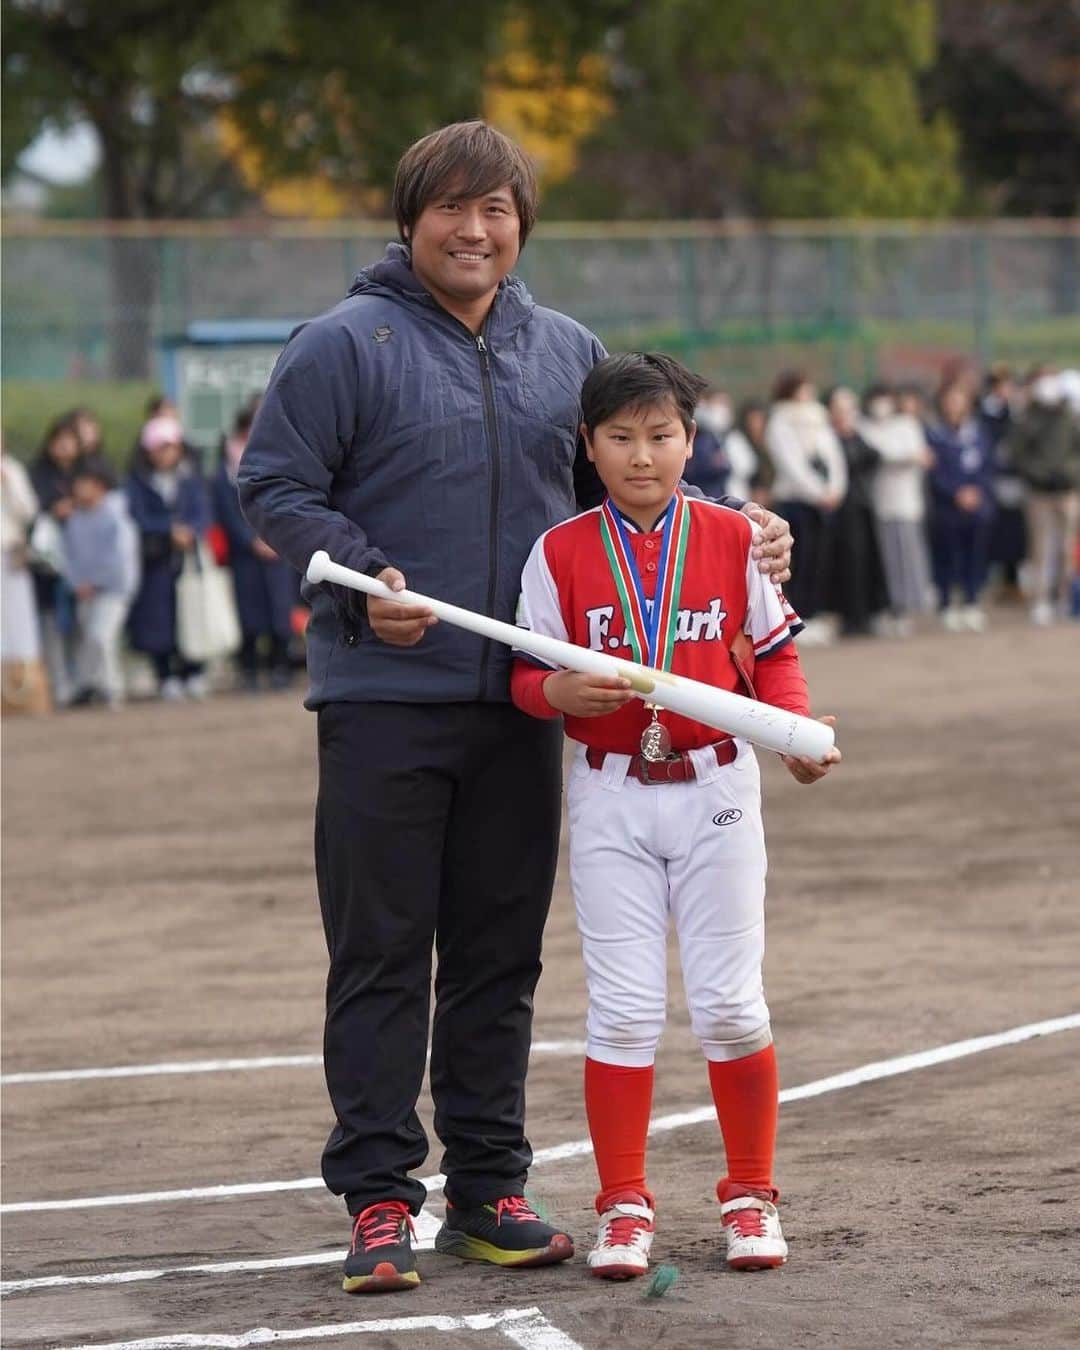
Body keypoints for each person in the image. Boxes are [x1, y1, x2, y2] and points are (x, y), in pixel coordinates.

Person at [237, 121, 794, 1295]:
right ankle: (381, 1198)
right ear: (410, 219)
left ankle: (486, 1187)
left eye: (497, 210)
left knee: (498, 959)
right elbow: (272, 483)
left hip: (531, 708)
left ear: (521, 225)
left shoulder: (565, 348)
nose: (475, 230)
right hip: (385, 698)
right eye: (452, 208)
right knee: (383, 952)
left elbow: (638, 474)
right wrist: (356, 570)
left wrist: (746, 530)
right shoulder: (347, 343)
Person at [511, 353, 840, 1280]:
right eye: (620, 438)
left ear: (691, 441)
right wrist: (555, 691)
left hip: (719, 788)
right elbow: (523, 679)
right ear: (590, 445)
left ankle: (749, 1196)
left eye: (661, 436)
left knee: (732, 1005)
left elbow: (771, 660)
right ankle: (623, 1206)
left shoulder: (737, 539)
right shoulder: (561, 551)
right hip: (609, 792)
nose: (642, 457)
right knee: (619, 1013)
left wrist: (795, 735)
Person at [210, 404, 296, 690]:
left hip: (278, 548)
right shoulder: (225, 469)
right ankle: (249, 668)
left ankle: (280, 665)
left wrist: (275, 538)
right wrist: (250, 541)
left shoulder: (286, 454)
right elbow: (226, 511)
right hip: (244, 554)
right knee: (248, 611)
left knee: (279, 609)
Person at [126, 414, 212, 698]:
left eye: (170, 446)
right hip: (155, 561)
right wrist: (168, 530)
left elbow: (203, 512)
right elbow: (137, 516)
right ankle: (165, 675)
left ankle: (194, 671)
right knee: (159, 621)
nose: (165, 454)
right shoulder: (138, 480)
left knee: (193, 614)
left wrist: (190, 531)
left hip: (188, 560)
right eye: (158, 447)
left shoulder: (190, 478)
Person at [766, 371, 847, 645]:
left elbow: (833, 456)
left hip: (823, 502)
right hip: (796, 501)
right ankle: (799, 616)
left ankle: (815, 612)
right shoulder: (780, 422)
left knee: (819, 560)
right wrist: (817, 492)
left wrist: (835, 489)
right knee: (798, 562)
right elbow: (792, 465)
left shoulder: (817, 419)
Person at [858, 383, 934, 636]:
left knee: (908, 556)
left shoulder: (906, 424)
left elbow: (918, 455)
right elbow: (881, 454)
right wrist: (905, 456)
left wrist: (905, 456)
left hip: (907, 502)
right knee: (888, 559)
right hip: (882, 503)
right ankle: (893, 605)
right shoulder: (865, 427)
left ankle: (909, 603)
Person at [64, 457, 140, 707]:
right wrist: (77, 582)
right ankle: (89, 686)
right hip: (84, 591)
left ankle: (112, 688)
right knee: (89, 640)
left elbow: (120, 559)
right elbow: (69, 557)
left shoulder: (116, 516)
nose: (78, 488)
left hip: (114, 590)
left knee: (101, 636)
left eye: (83, 482)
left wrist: (95, 581)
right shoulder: (75, 518)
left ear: (99, 485)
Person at [1006, 367, 1080, 625]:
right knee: (1040, 548)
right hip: (1038, 492)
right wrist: (1039, 473)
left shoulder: (1070, 417)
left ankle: (1063, 597)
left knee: (1066, 548)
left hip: (1067, 490)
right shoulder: (1028, 419)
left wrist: (1069, 473)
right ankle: (1040, 600)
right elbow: (1017, 454)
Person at [925, 381, 996, 631]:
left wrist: (976, 492)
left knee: (974, 554)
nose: (955, 406)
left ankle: (971, 601)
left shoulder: (978, 433)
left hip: (977, 505)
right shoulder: (934, 434)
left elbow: (988, 466)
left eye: (959, 400)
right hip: (947, 507)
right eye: (950, 400)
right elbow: (934, 472)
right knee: (948, 555)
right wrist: (956, 493)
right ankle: (946, 604)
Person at [28, 414, 84, 705]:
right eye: (58, 441)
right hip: (49, 565)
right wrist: (53, 509)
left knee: (79, 624)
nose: (64, 447)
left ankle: (81, 684)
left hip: (82, 561)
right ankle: (60, 686)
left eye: (69, 441)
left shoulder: (87, 473)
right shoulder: (37, 475)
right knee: (51, 624)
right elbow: (30, 512)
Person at [824, 387, 887, 637]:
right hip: (838, 509)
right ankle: (847, 616)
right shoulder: (827, 439)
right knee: (844, 562)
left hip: (861, 506)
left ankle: (867, 613)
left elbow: (875, 456)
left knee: (865, 560)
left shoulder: (859, 436)